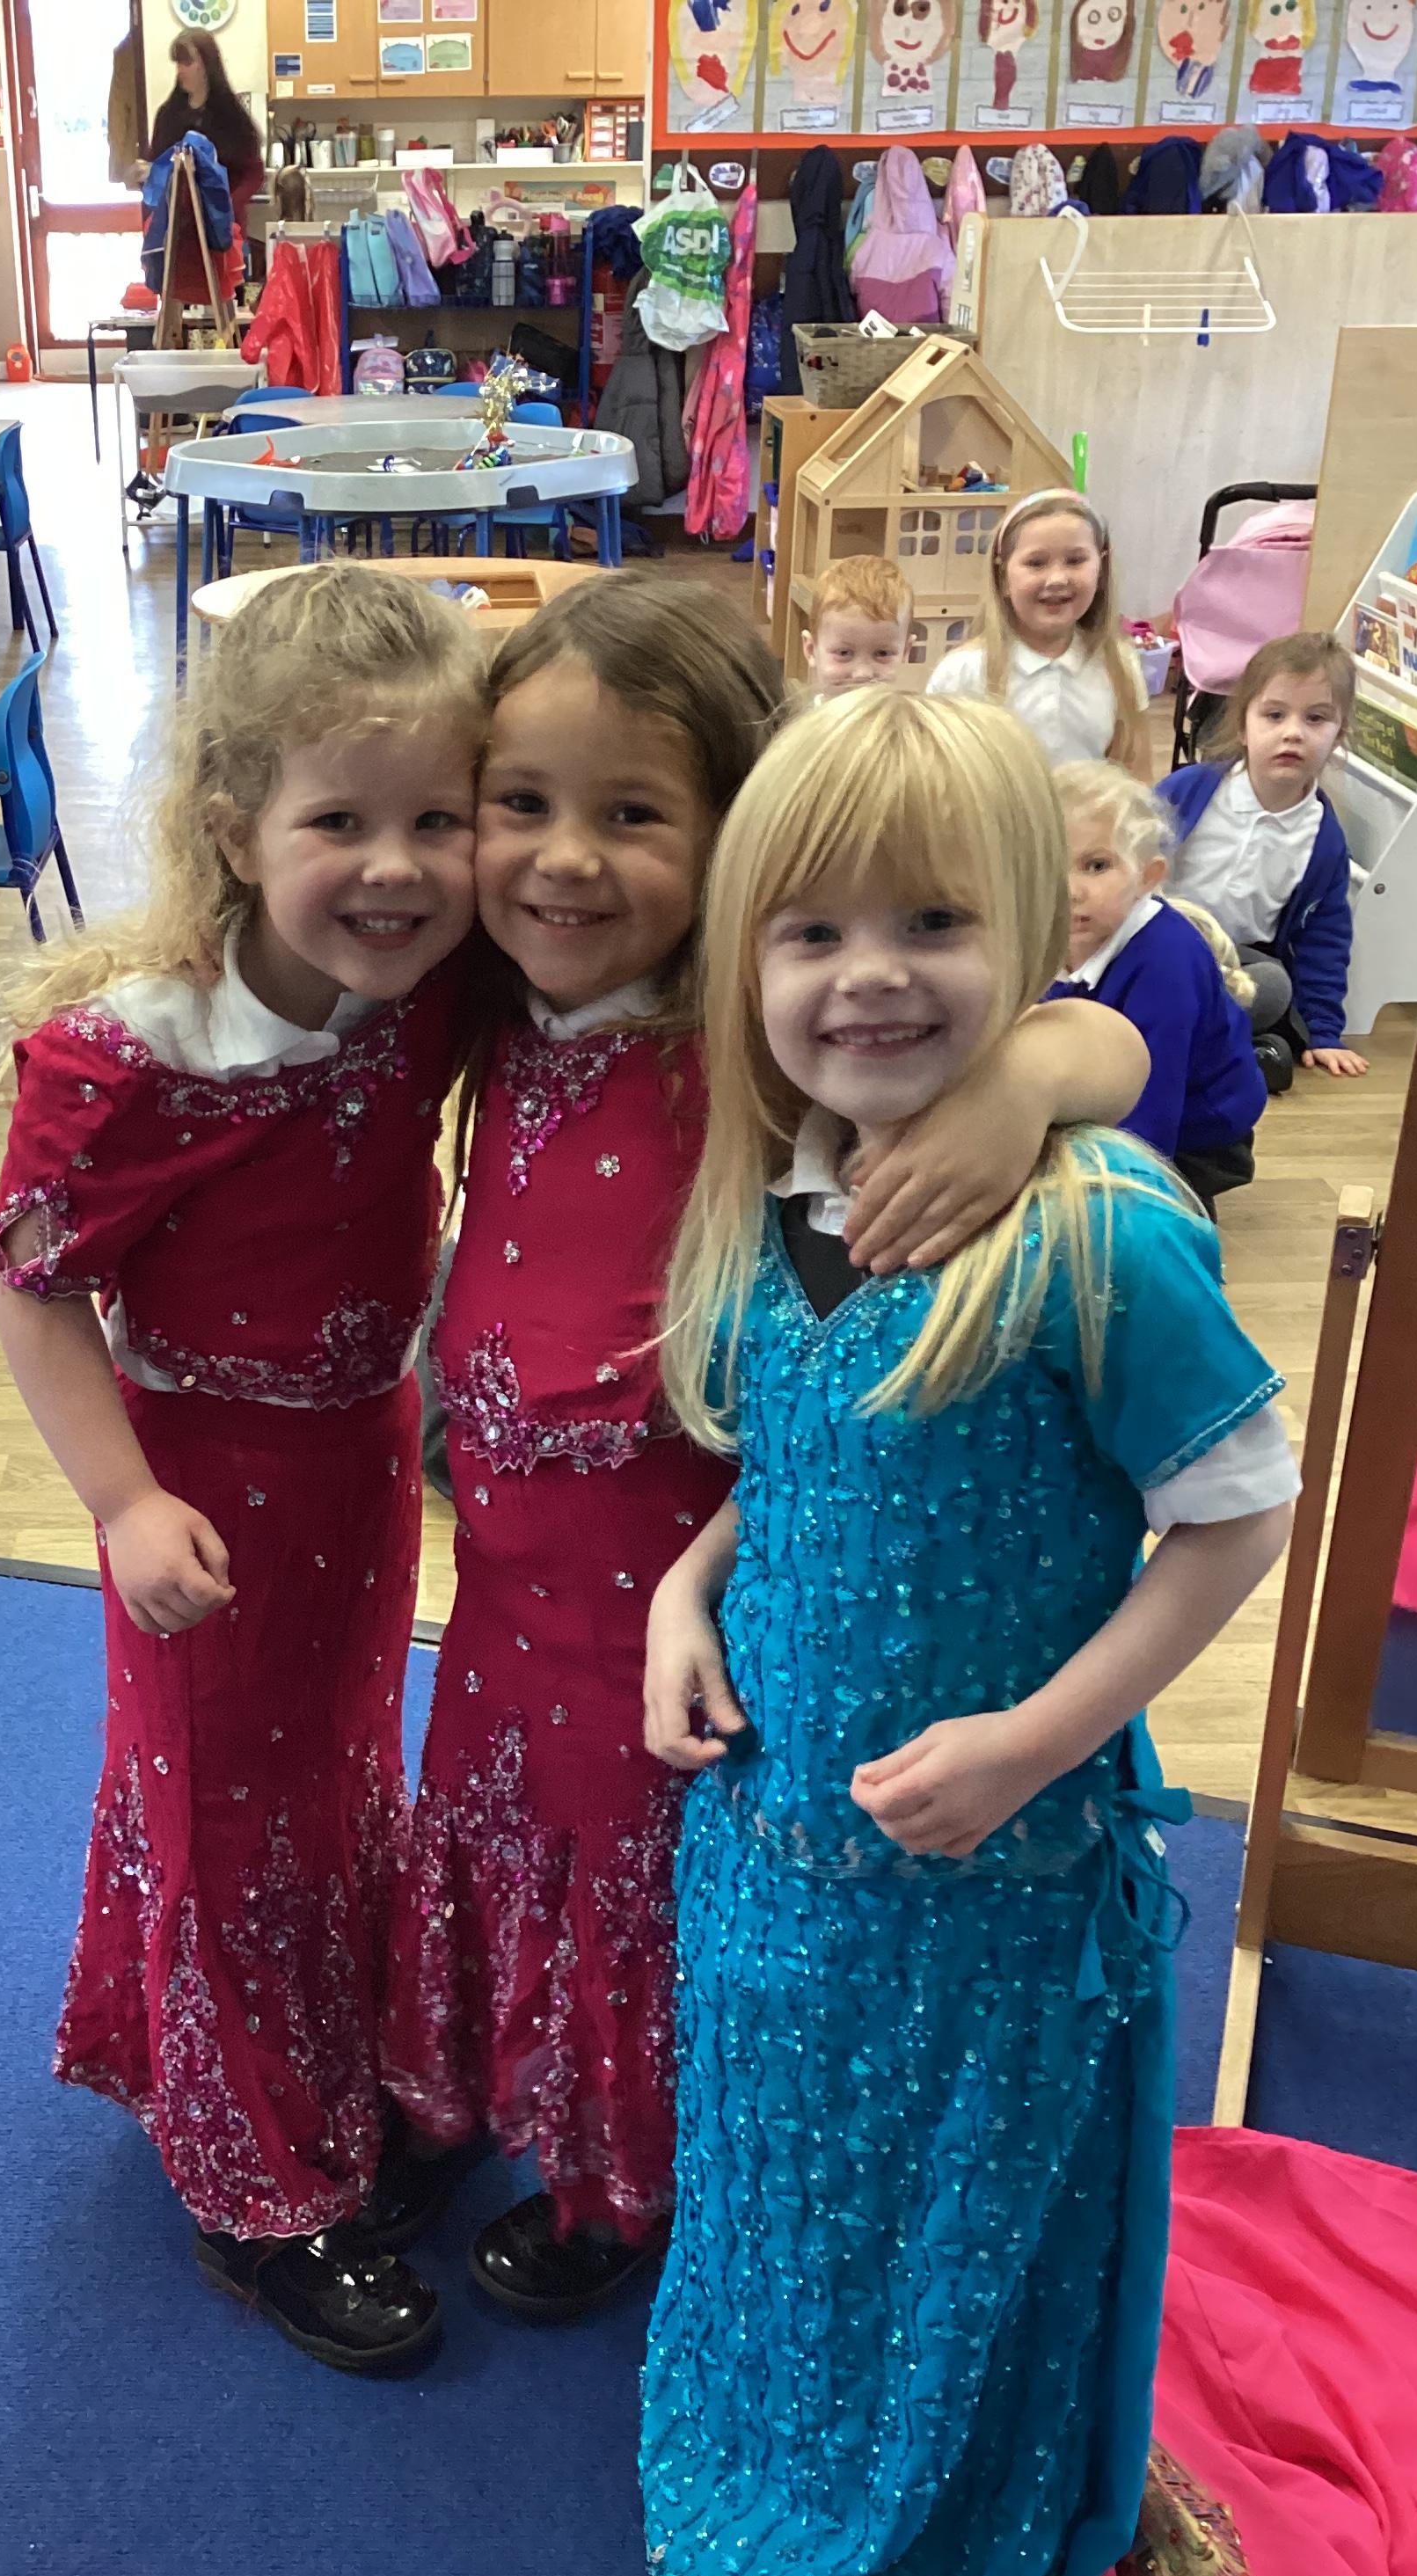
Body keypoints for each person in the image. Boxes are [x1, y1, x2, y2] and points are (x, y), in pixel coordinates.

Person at [382, 579, 1154, 2324]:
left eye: (630, 814)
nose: (564, 860)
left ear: (737, 838)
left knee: (632, 1871)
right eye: (522, 804)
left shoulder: (756, 1045)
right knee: (489, 1814)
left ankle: (622, 2174)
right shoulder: (493, 1004)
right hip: (500, 1565)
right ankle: (467, 2082)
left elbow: (1105, 1033)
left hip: (672, 1581)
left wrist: (1024, 1076)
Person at [640, 686, 1296, 2576]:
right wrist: (685, 1586)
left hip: (992, 1875)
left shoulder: (1099, 1228)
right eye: (813, 931)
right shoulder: (767, 1193)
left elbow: (1237, 1517)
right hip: (778, 1842)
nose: (869, 977)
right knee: (798, 2167)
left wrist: (1031, 1741)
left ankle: (949, 2493)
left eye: (931, 923)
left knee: (963, 2186)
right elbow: (794, 1456)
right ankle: (799, 2442)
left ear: (1030, 935)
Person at [0, 568, 487, 2376]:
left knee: (332, 1774)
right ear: (231, 826)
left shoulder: (429, 983)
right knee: (215, 1805)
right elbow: (33, 1282)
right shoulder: (128, 1055)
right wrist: (120, 1499)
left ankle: (322, 2048)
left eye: (439, 819)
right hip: (196, 1481)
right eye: (339, 822)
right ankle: (255, 2186)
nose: (396, 868)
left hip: (359, 1459)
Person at [1051, 760, 1267, 1210]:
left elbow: (1154, 1111)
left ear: (1146, 877)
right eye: (1048, 865)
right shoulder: (1050, 931)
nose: (1070, 889)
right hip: (1096, 1096)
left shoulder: (1165, 964)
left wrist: (1124, 1201)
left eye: (1096, 865)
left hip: (1195, 1130)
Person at [1159, 631, 1364, 1080]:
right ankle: (1216, 1047)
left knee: (1273, 987)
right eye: (1274, 715)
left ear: (1338, 735)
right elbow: (1123, 856)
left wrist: (1324, 1032)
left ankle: (1194, 1042)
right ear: (1242, 726)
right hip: (1160, 943)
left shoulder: (1323, 841)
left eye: (1316, 719)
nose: (1293, 732)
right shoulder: (1189, 791)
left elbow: (1324, 942)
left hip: (1233, 962)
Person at [927, 487, 1145, 764]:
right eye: (1036, 563)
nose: (1057, 579)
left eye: (1075, 560)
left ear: (1101, 569)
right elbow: (934, 772)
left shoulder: (1119, 665)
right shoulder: (962, 672)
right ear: (1003, 577)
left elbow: (1136, 770)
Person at [133, 32, 262, 311]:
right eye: (178, 63)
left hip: (222, 232)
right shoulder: (168, 115)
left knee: (225, 310)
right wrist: (145, 175)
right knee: (180, 308)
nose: (180, 70)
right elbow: (157, 168)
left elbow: (253, 173)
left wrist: (227, 206)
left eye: (187, 62)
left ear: (206, 64)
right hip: (178, 233)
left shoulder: (232, 117)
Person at [800, 554, 914, 695]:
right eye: (844, 653)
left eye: (882, 653)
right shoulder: (803, 711)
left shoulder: (907, 710)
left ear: (906, 652)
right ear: (811, 650)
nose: (863, 674)